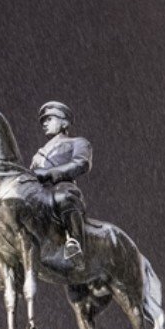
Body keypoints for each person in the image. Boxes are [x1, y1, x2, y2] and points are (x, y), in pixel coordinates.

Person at [30, 101, 93, 275]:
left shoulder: (77, 142)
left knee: (64, 197)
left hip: (62, 187)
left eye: (49, 119)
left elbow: (81, 163)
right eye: (43, 120)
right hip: (40, 192)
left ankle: (75, 243)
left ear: (64, 123)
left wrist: (50, 173)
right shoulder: (39, 154)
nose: (44, 123)